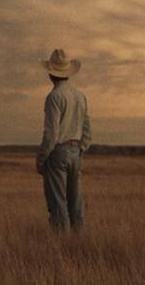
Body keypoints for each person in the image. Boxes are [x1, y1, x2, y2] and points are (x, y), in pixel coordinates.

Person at [36, 48, 92, 232]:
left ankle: (62, 246)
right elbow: (86, 130)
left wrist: (42, 159)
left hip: (58, 152)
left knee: (58, 205)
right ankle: (80, 244)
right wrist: (79, 150)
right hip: (76, 151)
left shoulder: (54, 97)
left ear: (51, 73)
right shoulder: (80, 96)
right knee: (75, 204)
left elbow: (51, 134)